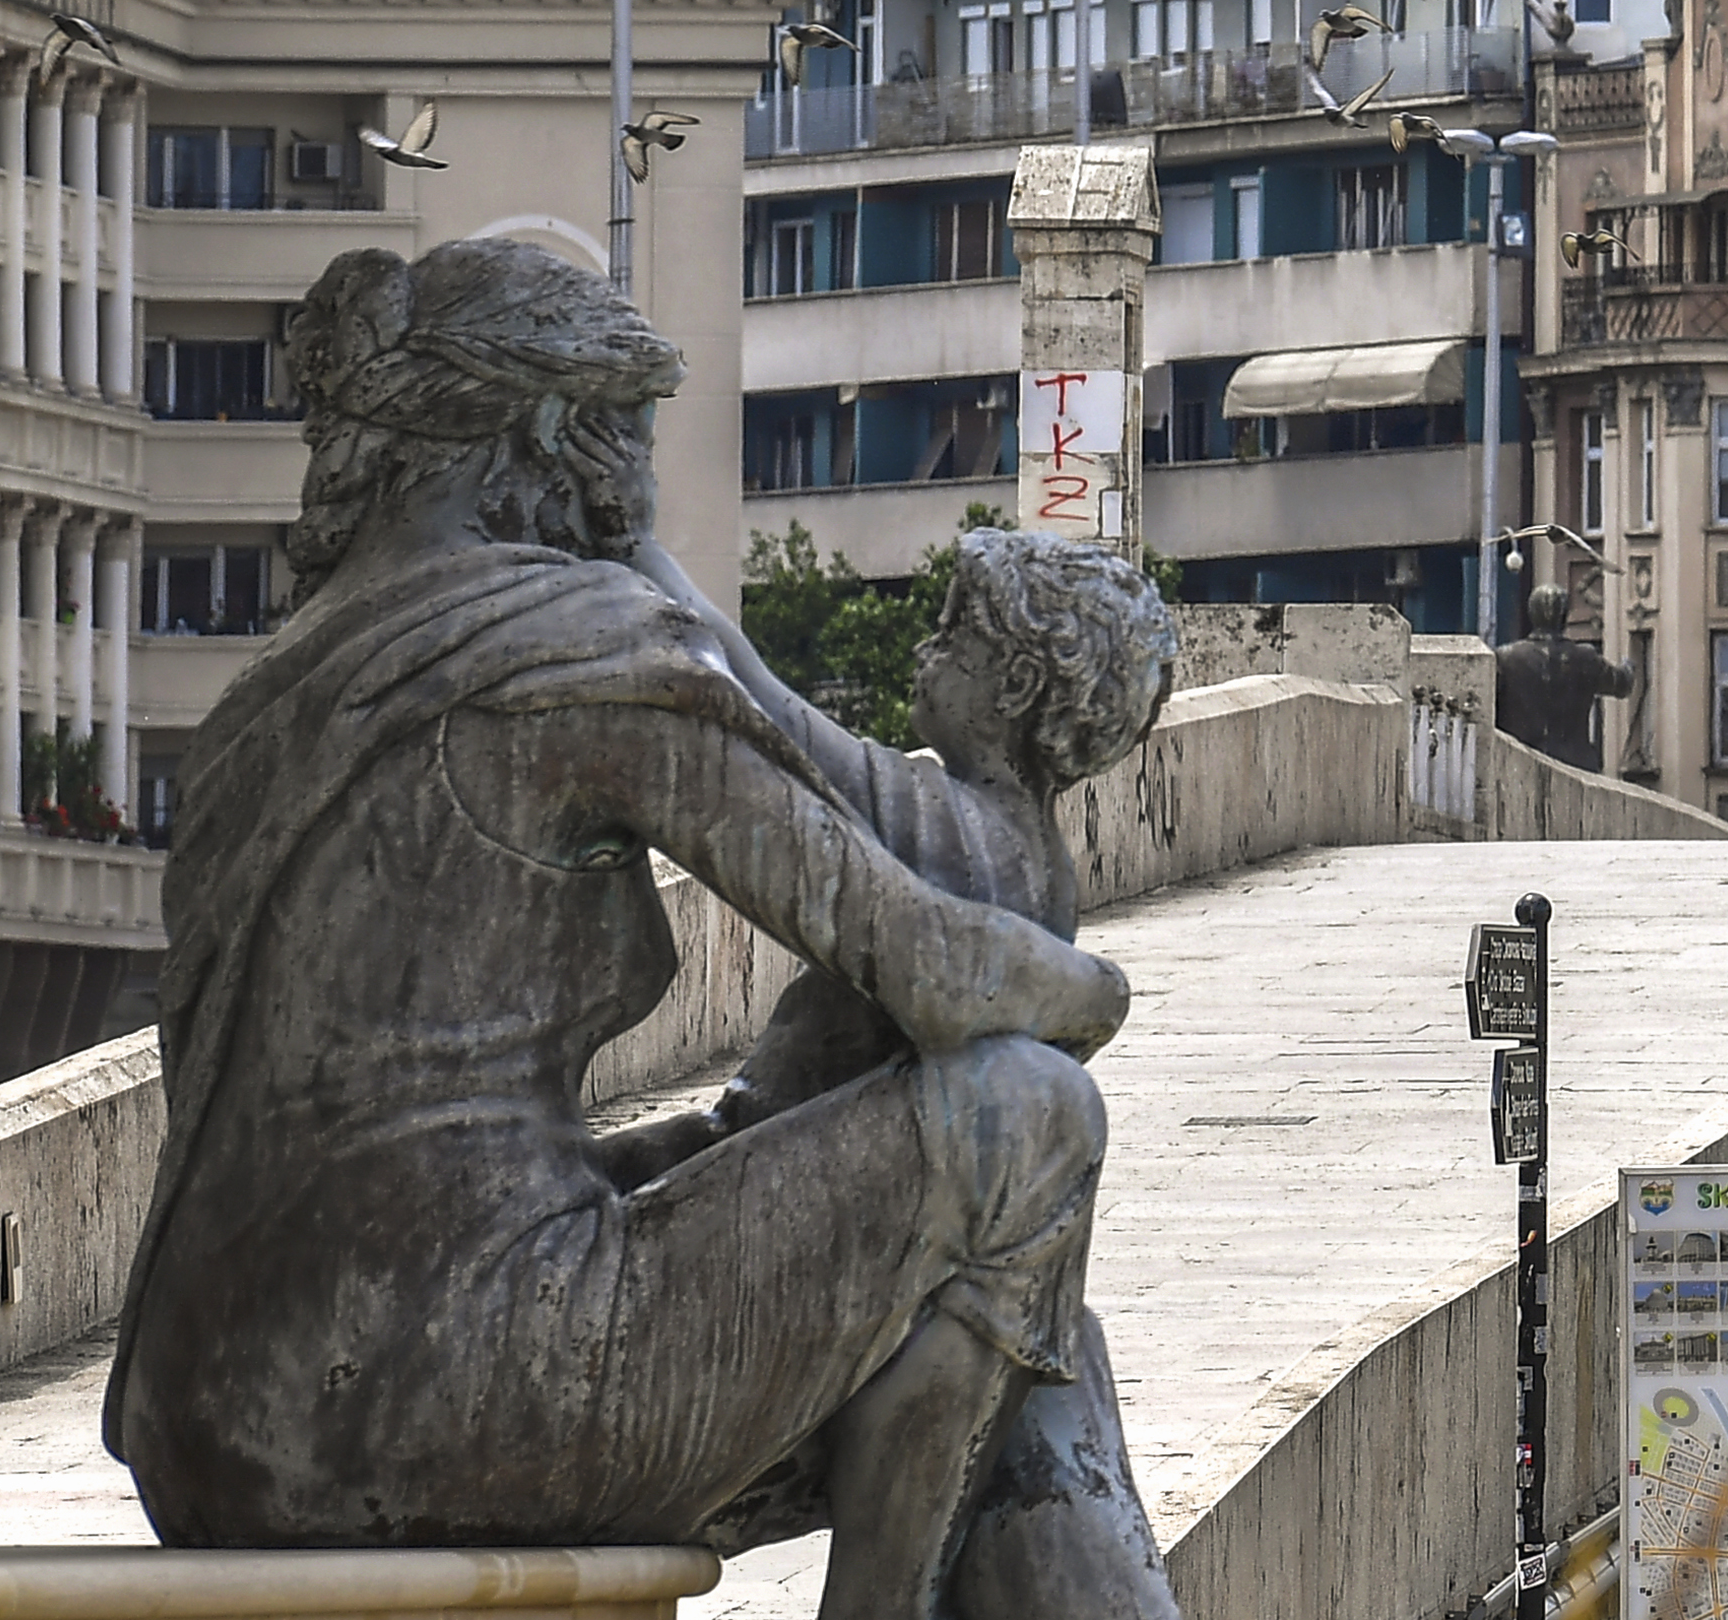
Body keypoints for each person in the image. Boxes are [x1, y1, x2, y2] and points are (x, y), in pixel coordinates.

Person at [110, 241, 1128, 1620]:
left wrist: (715, 1148)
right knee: (1031, 1121)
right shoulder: (572, 646)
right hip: (450, 1390)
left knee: (1010, 1329)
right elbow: (933, 966)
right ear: (553, 437)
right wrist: (1096, 983)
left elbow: (387, 1134)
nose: (647, 490)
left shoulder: (281, 688)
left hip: (210, 1420)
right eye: (638, 443)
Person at [615, 530, 1188, 1611]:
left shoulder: (955, 834)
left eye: (950, 635)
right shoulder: (1037, 864)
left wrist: (645, 544)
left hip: (848, 1253)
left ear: (1014, 681)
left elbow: (762, 704)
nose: (924, 654)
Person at [1492, 579, 1635, 767]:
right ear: (1565, 615)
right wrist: (1629, 664)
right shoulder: (1586, 657)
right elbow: (1622, 684)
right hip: (1575, 763)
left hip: (1518, 763)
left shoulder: (1506, 657)